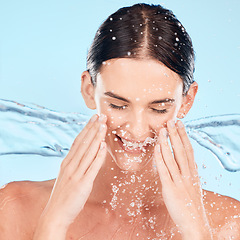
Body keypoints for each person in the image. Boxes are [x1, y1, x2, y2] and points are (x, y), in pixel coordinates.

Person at [0, 3, 240, 240]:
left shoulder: (227, 222)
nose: (136, 130)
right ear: (88, 89)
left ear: (187, 101)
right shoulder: (14, 207)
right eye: (118, 105)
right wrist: (54, 222)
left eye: (159, 108)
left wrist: (195, 229)